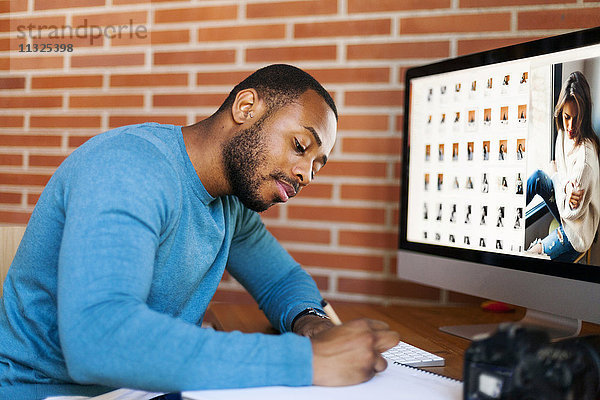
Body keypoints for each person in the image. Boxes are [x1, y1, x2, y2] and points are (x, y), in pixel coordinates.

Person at [0, 64, 400, 398]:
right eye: (300, 146)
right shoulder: (129, 168)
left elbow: (281, 279)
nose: (305, 175)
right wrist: (311, 360)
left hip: (138, 387)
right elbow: (99, 340)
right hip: (48, 391)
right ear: (246, 107)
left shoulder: (230, 203)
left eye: (318, 165)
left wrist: (312, 322)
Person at [526, 71, 600, 262]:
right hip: (564, 203)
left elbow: (569, 212)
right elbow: (562, 178)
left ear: (585, 115)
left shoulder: (586, 161)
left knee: (532, 255)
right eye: (567, 116)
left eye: (577, 118)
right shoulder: (563, 131)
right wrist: (566, 185)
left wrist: (556, 175)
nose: (570, 126)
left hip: (577, 229)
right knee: (536, 178)